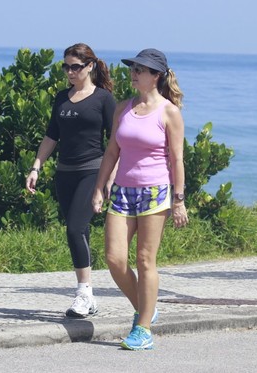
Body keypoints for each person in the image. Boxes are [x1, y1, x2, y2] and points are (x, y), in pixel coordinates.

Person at [91, 48, 188, 350]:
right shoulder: (123, 108)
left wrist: (179, 199)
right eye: (133, 68)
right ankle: (147, 309)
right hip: (121, 191)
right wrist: (99, 188)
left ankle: (143, 328)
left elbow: (177, 159)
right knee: (114, 259)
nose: (134, 73)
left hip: (155, 192)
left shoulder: (169, 112)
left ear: (156, 76)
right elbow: (111, 152)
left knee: (145, 260)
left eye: (141, 70)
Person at [26, 43, 116, 318]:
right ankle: (90, 299)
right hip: (64, 174)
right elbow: (51, 136)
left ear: (89, 66)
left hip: (93, 170)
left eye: (75, 67)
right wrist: (36, 168)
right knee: (80, 231)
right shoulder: (61, 98)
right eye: (66, 67)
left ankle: (83, 293)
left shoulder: (103, 99)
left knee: (75, 229)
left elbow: (115, 142)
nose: (70, 72)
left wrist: (110, 178)